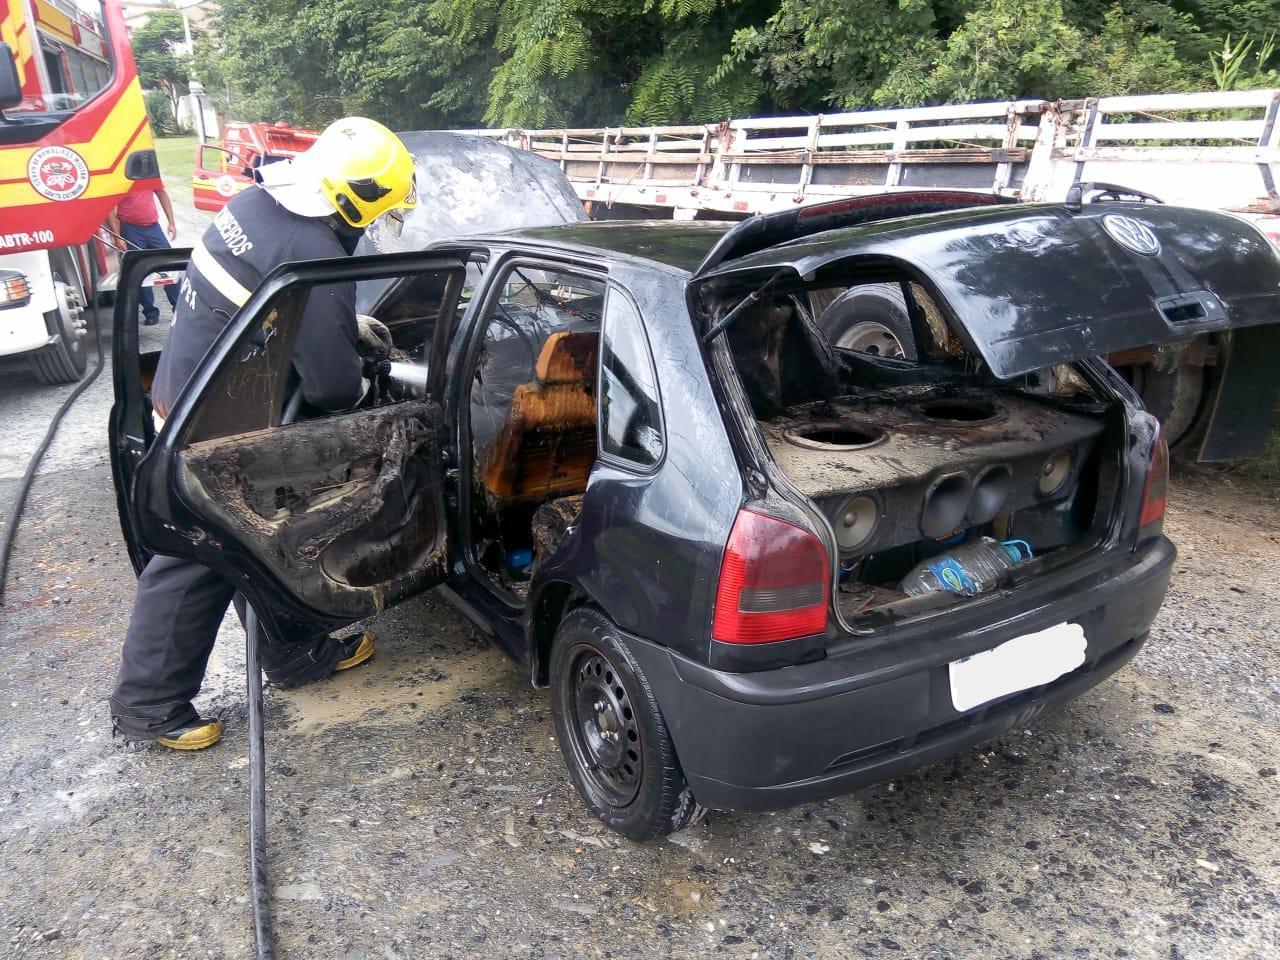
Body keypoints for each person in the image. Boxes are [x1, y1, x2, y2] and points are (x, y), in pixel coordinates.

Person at [109, 117, 418, 751]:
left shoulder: (258, 202)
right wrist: (362, 380)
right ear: (353, 199)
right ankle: (148, 704)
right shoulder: (314, 248)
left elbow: (265, 296)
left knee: (272, 534)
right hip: (216, 421)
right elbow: (333, 388)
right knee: (201, 553)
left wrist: (335, 319)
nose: (372, 226)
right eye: (377, 211)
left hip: (192, 386)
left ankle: (295, 653)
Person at [105, 184, 180, 326]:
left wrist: (171, 222)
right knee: (139, 270)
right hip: (130, 228)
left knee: (170, 266)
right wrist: (117, 236)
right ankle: (150, 312)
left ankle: (179, 308)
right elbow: (109, 208)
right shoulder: (119, 180)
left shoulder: (147, 175)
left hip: (153, 227)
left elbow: (161, 193)